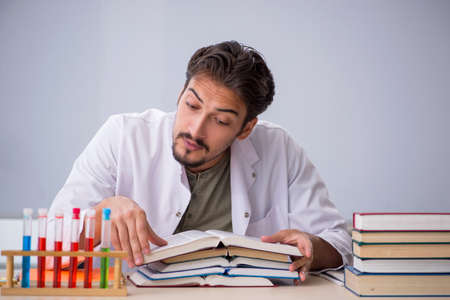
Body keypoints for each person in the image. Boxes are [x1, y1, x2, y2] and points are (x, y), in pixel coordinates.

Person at [47, 40, 352, 283]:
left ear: (246, 128)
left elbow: (340, 243)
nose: (194, 129)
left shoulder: (280, 148)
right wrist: (102, 214)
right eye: (191, 105)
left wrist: (311, 248)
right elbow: (48, 246)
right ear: (181, 93)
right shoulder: (123, 135)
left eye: (219, 120)